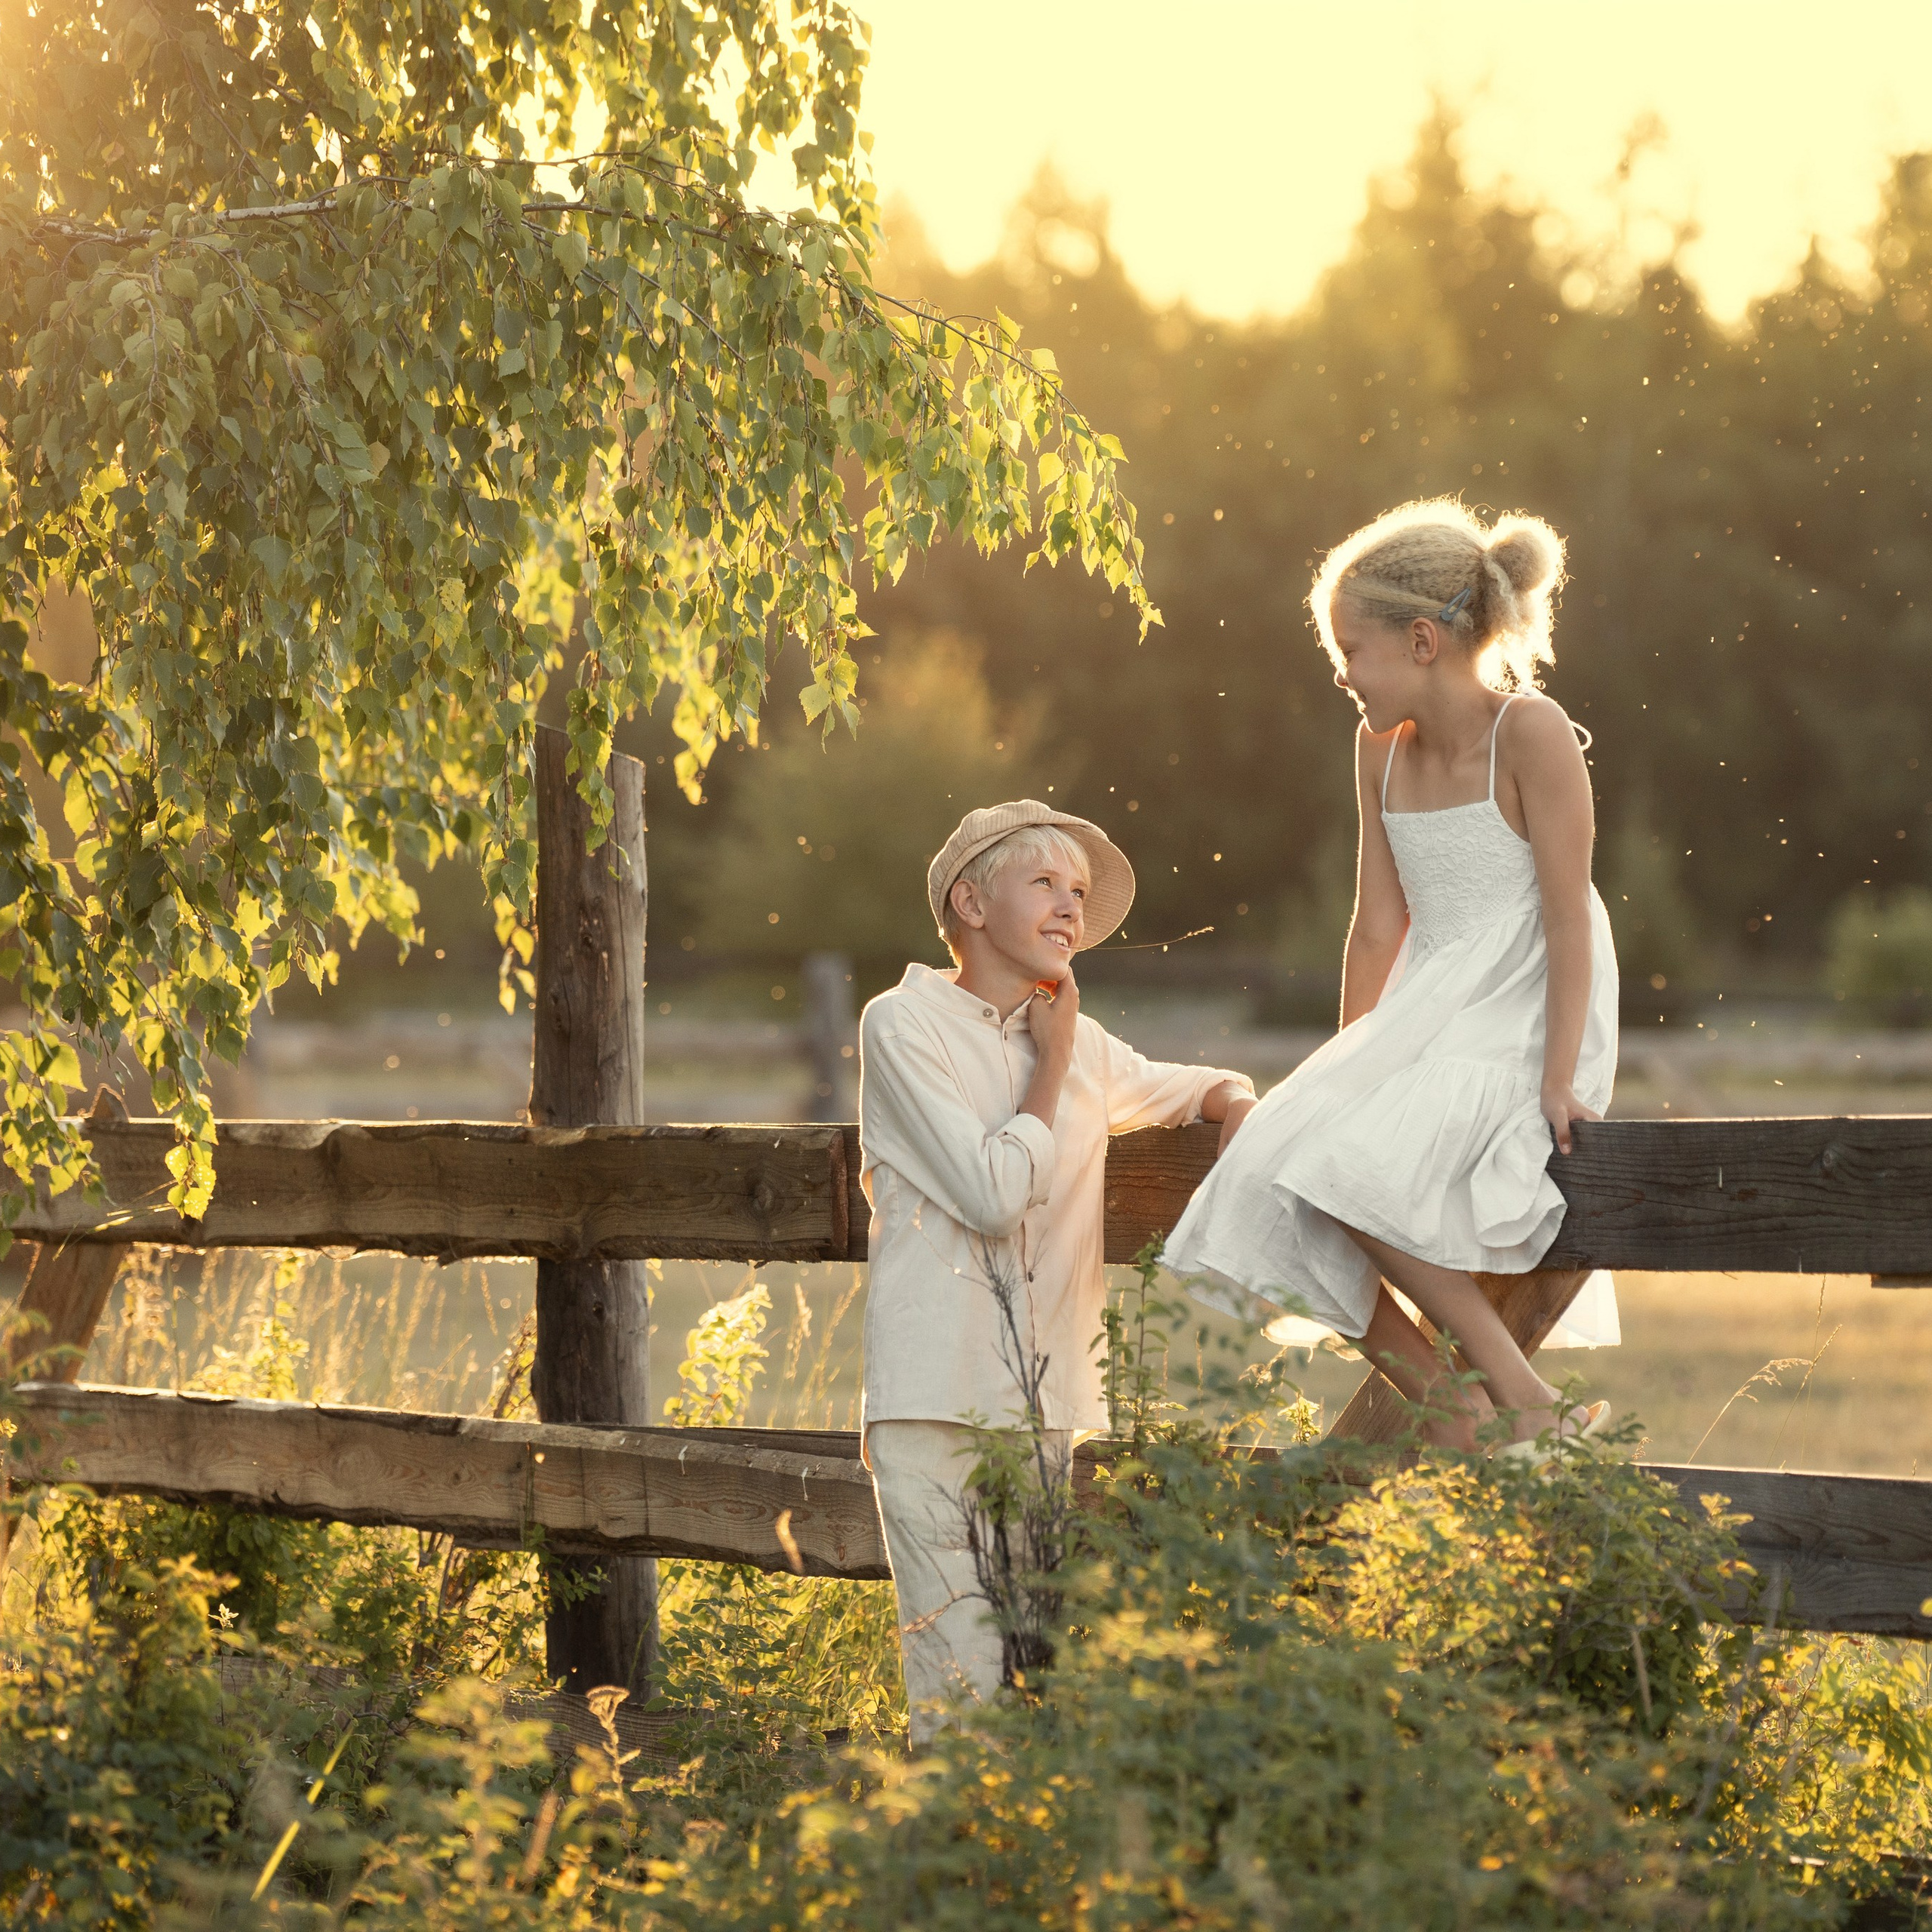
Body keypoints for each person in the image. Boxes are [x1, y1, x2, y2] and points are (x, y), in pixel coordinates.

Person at [1165, 498, 1619, 1457]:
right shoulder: (1379, 751)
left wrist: (1559, 1075)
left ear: (1421, 640)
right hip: (1428, 1003)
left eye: (1350, 649)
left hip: (1526, 1005)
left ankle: (1523, 1394)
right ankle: (1443, 1404)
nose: (1340, 672)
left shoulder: (1529, 733)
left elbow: (1569, 914)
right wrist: (1346, 1065)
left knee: (1346, 1166)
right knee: (1283, 1156)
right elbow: (1376, 925)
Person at [859, 800, 1254, 1744]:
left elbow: (1197, 1085)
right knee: (958, 1693)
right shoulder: (904, 1025)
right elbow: (994, 1194)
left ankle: (1017, 1878)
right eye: (1043, 881)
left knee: (1035, 1675)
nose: (1070, 906)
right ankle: (942, 1869)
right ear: (970, 900)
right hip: (934, 1396)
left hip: (1041, 1405)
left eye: (1078, 891)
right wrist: (1057, 1061)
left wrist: (1237, 1102)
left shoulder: (1085, 1044)